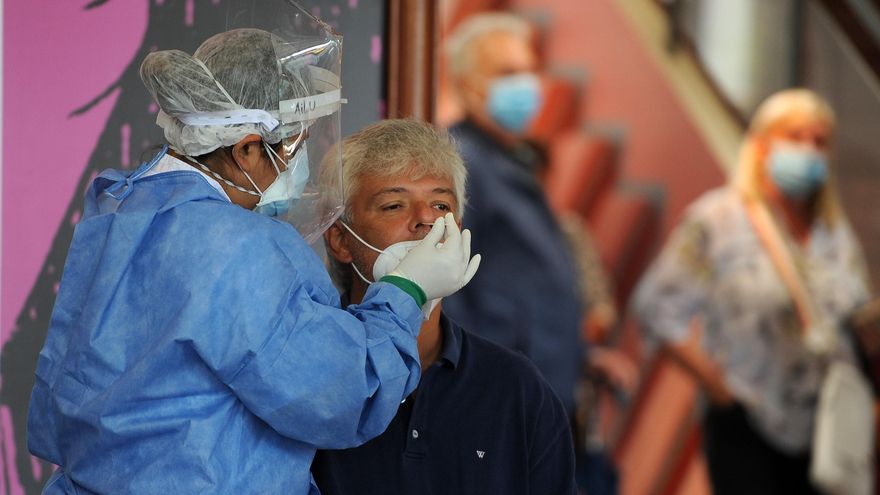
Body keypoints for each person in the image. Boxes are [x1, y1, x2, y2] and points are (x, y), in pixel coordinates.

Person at [26, 26, 480, 494]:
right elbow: (341, 393)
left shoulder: (120, 209)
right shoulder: (240, 246)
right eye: (296, 147)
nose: (298, 165)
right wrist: (404, 295)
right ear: (246, 149)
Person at [310, 119, 577, 494]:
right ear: (340, 239)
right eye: (393, 205)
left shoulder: (518, 390)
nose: (425, 220)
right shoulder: (303, 376)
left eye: (441, 204)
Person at [634, 88, 872, 494]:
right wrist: (719, 387)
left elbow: (855, 316)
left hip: (826, 421)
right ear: (762, 146)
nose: (809, 150)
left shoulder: (832, 232)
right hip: (749, 421)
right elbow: (656, 305)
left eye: (819, 141)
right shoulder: (719, 220)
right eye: (795, 137)